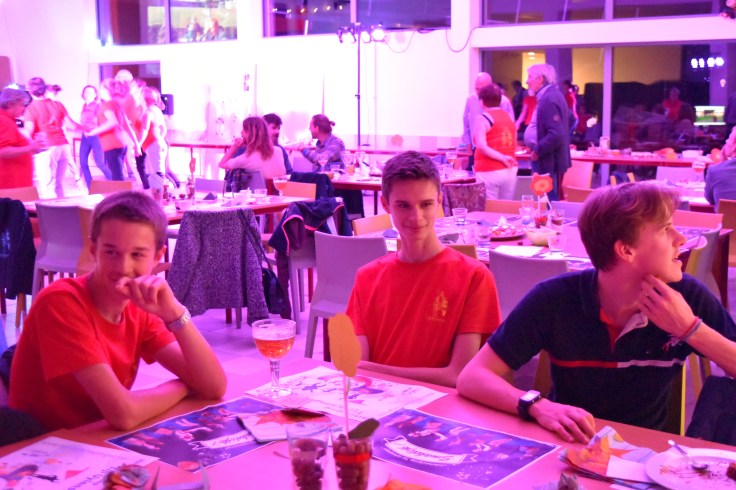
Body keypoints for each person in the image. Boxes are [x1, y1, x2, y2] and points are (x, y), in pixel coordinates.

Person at [457, 182, 736, 443]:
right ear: (626, 250)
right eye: (666, 229)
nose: (681, 239)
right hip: (569, 448)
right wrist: (537, 405)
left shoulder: (686, 297)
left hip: (646, 457)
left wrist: (690, 329)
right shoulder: (555, 298)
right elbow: (472, 377)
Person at [9, 191, 227, 431]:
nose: (123, 267)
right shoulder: (60, 302)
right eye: (111, 252)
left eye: (137, 254)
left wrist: (175, 312)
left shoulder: (138, 306)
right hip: (41, 442)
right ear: (94, 249)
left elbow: (214, 387)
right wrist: (183, 385)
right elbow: (124, 415)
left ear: (157, 256)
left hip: (95, 437)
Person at [346, 151, 502, 388]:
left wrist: (375, 370)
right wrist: (367, 371)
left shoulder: (474, 277)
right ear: (386, 205)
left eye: (426, 204)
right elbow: (356, 371)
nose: (416, 217)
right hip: (377, 401)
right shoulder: (367, 277)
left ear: (439, 201)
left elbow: (458, 376)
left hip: (443, 406)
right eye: (403, 205)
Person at [23, 77, 83, 198]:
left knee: (48, 186)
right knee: (58, 184)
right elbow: (71, 125)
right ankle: (61, 208)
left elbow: (28, 131)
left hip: (46, 148)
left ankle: (51, 210)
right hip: (63, 146)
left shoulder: (31, 108)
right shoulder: (58, 105)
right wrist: (87, 128)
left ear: (29, 91)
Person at [523, 64, 571, 201]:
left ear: (540, 79)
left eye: (530, 77)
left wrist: (537, 151)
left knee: (547, 201)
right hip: (549, 158)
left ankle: (551, 216)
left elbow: (556, 134)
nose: (526, 81)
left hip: (547, 159)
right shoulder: (552, 95)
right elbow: (571, 119)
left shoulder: (548, 98)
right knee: (547, 199)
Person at [84, 78, 140, 181]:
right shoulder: (116, 104)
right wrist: (136, 144)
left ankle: (123, 192)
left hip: (112, 144)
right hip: (122, 144)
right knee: (119, 176)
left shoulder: (107, 105)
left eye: (100, 88)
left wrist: (94, 131)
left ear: (105, 90)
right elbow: (126, 126)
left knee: (118, 178)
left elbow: (113, 122)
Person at [473, 83, 518, 200]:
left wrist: (502, 158)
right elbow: (514, 140)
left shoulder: (482, 118)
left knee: (490, 207)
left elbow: (481, 146)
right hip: (510, 168)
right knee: (505, 206)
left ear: (482, 102)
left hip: (488, 170)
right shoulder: (509, 117)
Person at [462, 73, 515, 168]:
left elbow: (510, 126)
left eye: (481, 89)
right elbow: (466, 123)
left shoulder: (503, 101)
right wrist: (468, 146)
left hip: (497, 149)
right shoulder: (471, 100)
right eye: (476, 89)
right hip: (475, 149)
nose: (478, 92)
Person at [0, 88, 46, 189]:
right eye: (21, 105)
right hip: (12, 183)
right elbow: (2, 150)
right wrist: (30, 148)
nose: (24, 108)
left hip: (15, 182)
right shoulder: (4, 121)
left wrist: (32, 148)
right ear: (10, 104)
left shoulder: (8, 120)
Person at [218, 116, 285, 180]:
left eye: (244, 129)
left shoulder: (246, 158)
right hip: (279, 187)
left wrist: (235, 146)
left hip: (258, 188)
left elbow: (221, 164)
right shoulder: (278, 151)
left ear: (249, 134)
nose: (241, 132)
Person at [79, 84, 112, 186]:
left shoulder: (97, 106)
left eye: (91, 92)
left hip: (96, 136)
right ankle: (90, 186)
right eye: (86, 92)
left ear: (95, 95)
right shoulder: (84, 106)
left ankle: (115, 183)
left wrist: (96, 130)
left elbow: (106, 120)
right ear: (83, 94)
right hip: (85, 137)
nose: (88, 94)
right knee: (83, 162)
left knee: (99, 163)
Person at [139, 87, 168, 200]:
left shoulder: (148, 112)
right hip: (159, 143)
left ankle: (158, 201)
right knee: (157, 173)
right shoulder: (157, 110)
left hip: (153, 145)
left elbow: (144, 130)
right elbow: (163, 129)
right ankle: (159, 199)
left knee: (156, 175)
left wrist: (138, 145)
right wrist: (160, 139)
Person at [704, 126, 736, 207]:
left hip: (727, 216)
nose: (726, 142)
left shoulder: (714, 170)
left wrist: (722, 165)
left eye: (729, 139)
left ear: (734, 146)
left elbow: (711, 200)